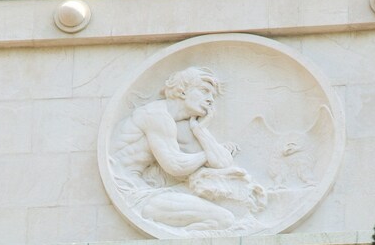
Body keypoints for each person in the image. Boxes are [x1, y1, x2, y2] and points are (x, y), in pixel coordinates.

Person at [110, 67, 265, 232]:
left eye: (212, 95)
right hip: (131, 193)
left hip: (145, 190)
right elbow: (176, 166)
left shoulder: (179, 125)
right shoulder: (156, 116)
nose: (210, 100)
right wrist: (209, 153)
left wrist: (201, 131)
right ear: (182, 92)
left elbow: (222, 162)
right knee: (224, 219)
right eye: (204, 91)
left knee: (230, 208)